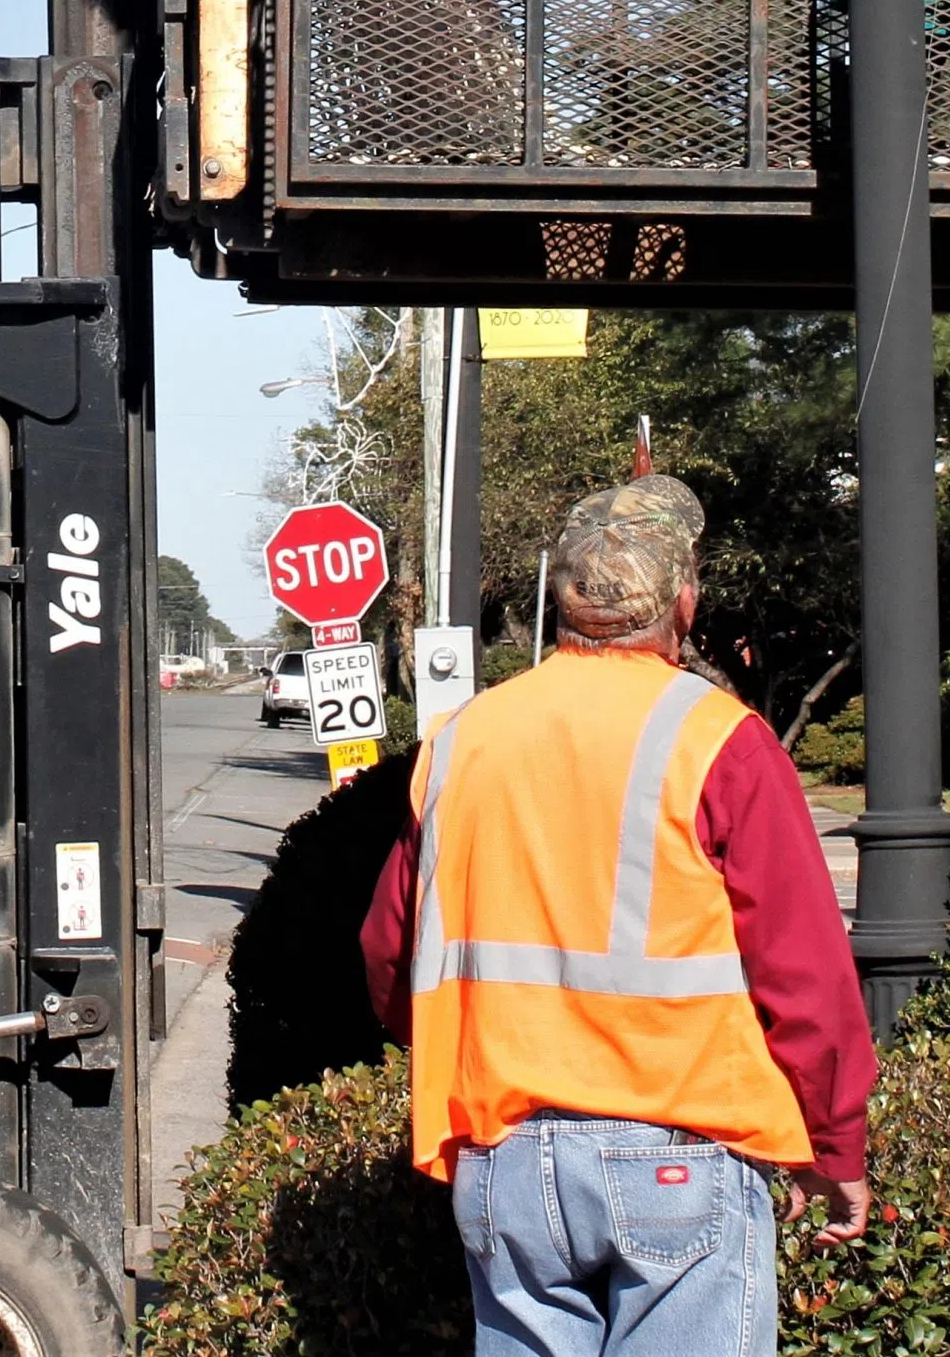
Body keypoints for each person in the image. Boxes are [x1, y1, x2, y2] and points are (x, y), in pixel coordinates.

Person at [360, 477, 874, 1357]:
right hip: (679, 1150)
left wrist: (459, 1046)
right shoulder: (720, 738)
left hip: (505, 1157)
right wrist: (834, 1140)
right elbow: (803, 967)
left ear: (563, 600)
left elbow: (388, 949)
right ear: (684, 601)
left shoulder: (463, 738)